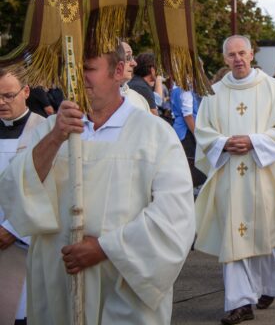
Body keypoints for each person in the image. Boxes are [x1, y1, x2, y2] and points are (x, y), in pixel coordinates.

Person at [0, 44, 195, 323]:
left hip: (122, 288)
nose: (76, 79)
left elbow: (174, 216)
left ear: (118, 71)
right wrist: (56, 137)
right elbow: (15, 190)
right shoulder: (49, 129)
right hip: (59, 284)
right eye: (70, 70)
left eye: (88, 69)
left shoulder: (154, 134)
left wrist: (105, 248)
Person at [194, 35, 275, 325]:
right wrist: (224, 143)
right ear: (225, 59)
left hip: (264, 174)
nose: (238, 59)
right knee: (235, 238)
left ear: (252, 53)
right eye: (231, 55)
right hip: (230, 176)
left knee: (264, 236)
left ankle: (271, 286)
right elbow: (203, 132)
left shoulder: (272, 88)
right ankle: (240, 303)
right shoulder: (214, 93)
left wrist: (254, 141)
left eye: (242, 53)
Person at [0, 68, 45, 325]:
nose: (1, 103)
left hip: (25, 241)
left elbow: (51, 187)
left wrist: (13, 228)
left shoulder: (45, 130)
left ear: (26, 92)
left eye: (8, 95)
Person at [170, 84, 205, 188]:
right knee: (190, 165)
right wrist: (197, 136)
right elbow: (188, 115)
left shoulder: (176, 88)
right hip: (187, 131)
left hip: (179, 129)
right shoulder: (185, 90)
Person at [120, 41, 151, 113]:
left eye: (132, 57)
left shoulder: (138, 99)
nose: (134, 63)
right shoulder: (93, 100)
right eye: (128, 57)